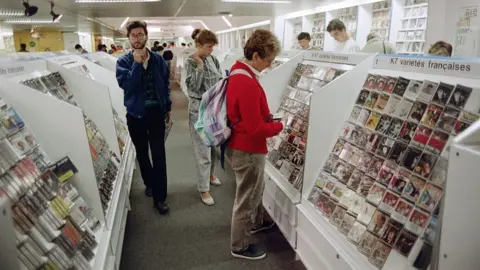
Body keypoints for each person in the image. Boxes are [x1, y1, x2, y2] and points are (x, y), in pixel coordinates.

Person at [226, 29, 283, 260]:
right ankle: (239, 245)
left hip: (239, 144)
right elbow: (255, 129)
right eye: (268, 60)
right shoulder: (246, 82)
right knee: (247, 197)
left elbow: (248, 116)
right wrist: (280, 126)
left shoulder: (238, 71)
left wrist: (267, 117)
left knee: (250, 192)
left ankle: (258, 222)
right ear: (256, 55)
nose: (269, 66)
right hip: (247, 149)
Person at [116, 20, 172, 215]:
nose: (137, 38)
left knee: (158, 154)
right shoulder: (123, 62)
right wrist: (137, 65)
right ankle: (149, 182)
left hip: (156, 113)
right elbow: (127, 86)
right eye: (133, 35)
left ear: (146, 36)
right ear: (129, 38)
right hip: (135, 115)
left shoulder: (158, 60)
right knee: (142, 153)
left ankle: (160, 197)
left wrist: (168, 107)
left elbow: (165, 85)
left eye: (140, 34)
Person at [184, 29, 223, 206]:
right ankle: (204, 188)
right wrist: (199, 66)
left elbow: (219, 78)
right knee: (203, 151)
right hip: (198, 109)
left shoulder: (213, 59)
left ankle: (211, 174)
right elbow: (192, 87)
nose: (211, 50)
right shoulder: (191, 61)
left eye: (213, 47)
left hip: (213, 108)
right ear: (198, 45)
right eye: (208, 47)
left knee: (214, 146)